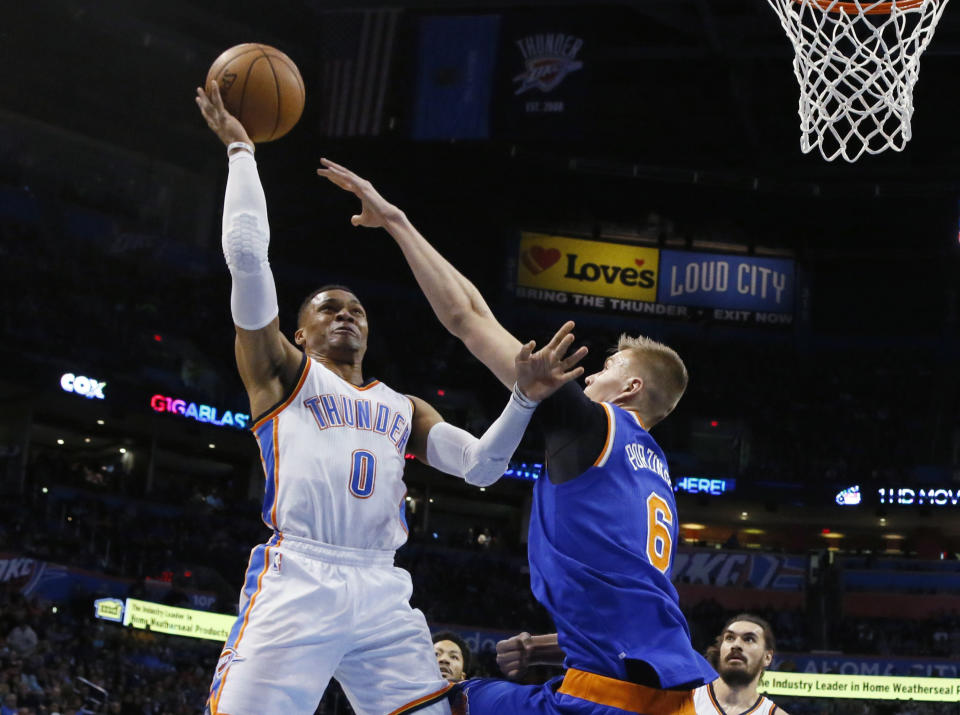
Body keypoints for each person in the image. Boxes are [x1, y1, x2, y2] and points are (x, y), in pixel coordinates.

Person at [195, 83, 586, 715]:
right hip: (299, 577)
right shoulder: (279, 373)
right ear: (300, 332)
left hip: (381, 586)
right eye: (329, 307)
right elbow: (246, 258)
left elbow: (484, 467)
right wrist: (242, 150)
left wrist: (524, 396)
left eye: (357, 309)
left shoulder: (402, 407)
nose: (346, 314)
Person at [317, 162, 717, 713]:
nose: (591, 375)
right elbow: (621, 600)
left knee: (436, 703)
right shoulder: (656, 474)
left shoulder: (595, 426)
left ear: (630, 387)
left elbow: (467, 317)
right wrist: (546, 646)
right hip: (659, 692)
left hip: (604, 700)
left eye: (605, 366)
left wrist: (397, 223)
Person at [496, 614, 788, 714]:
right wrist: (535, 648)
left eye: (749, 639)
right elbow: (617, 648)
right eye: (730, 637)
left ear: (767, 656)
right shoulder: (687, 682)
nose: (736, 644)